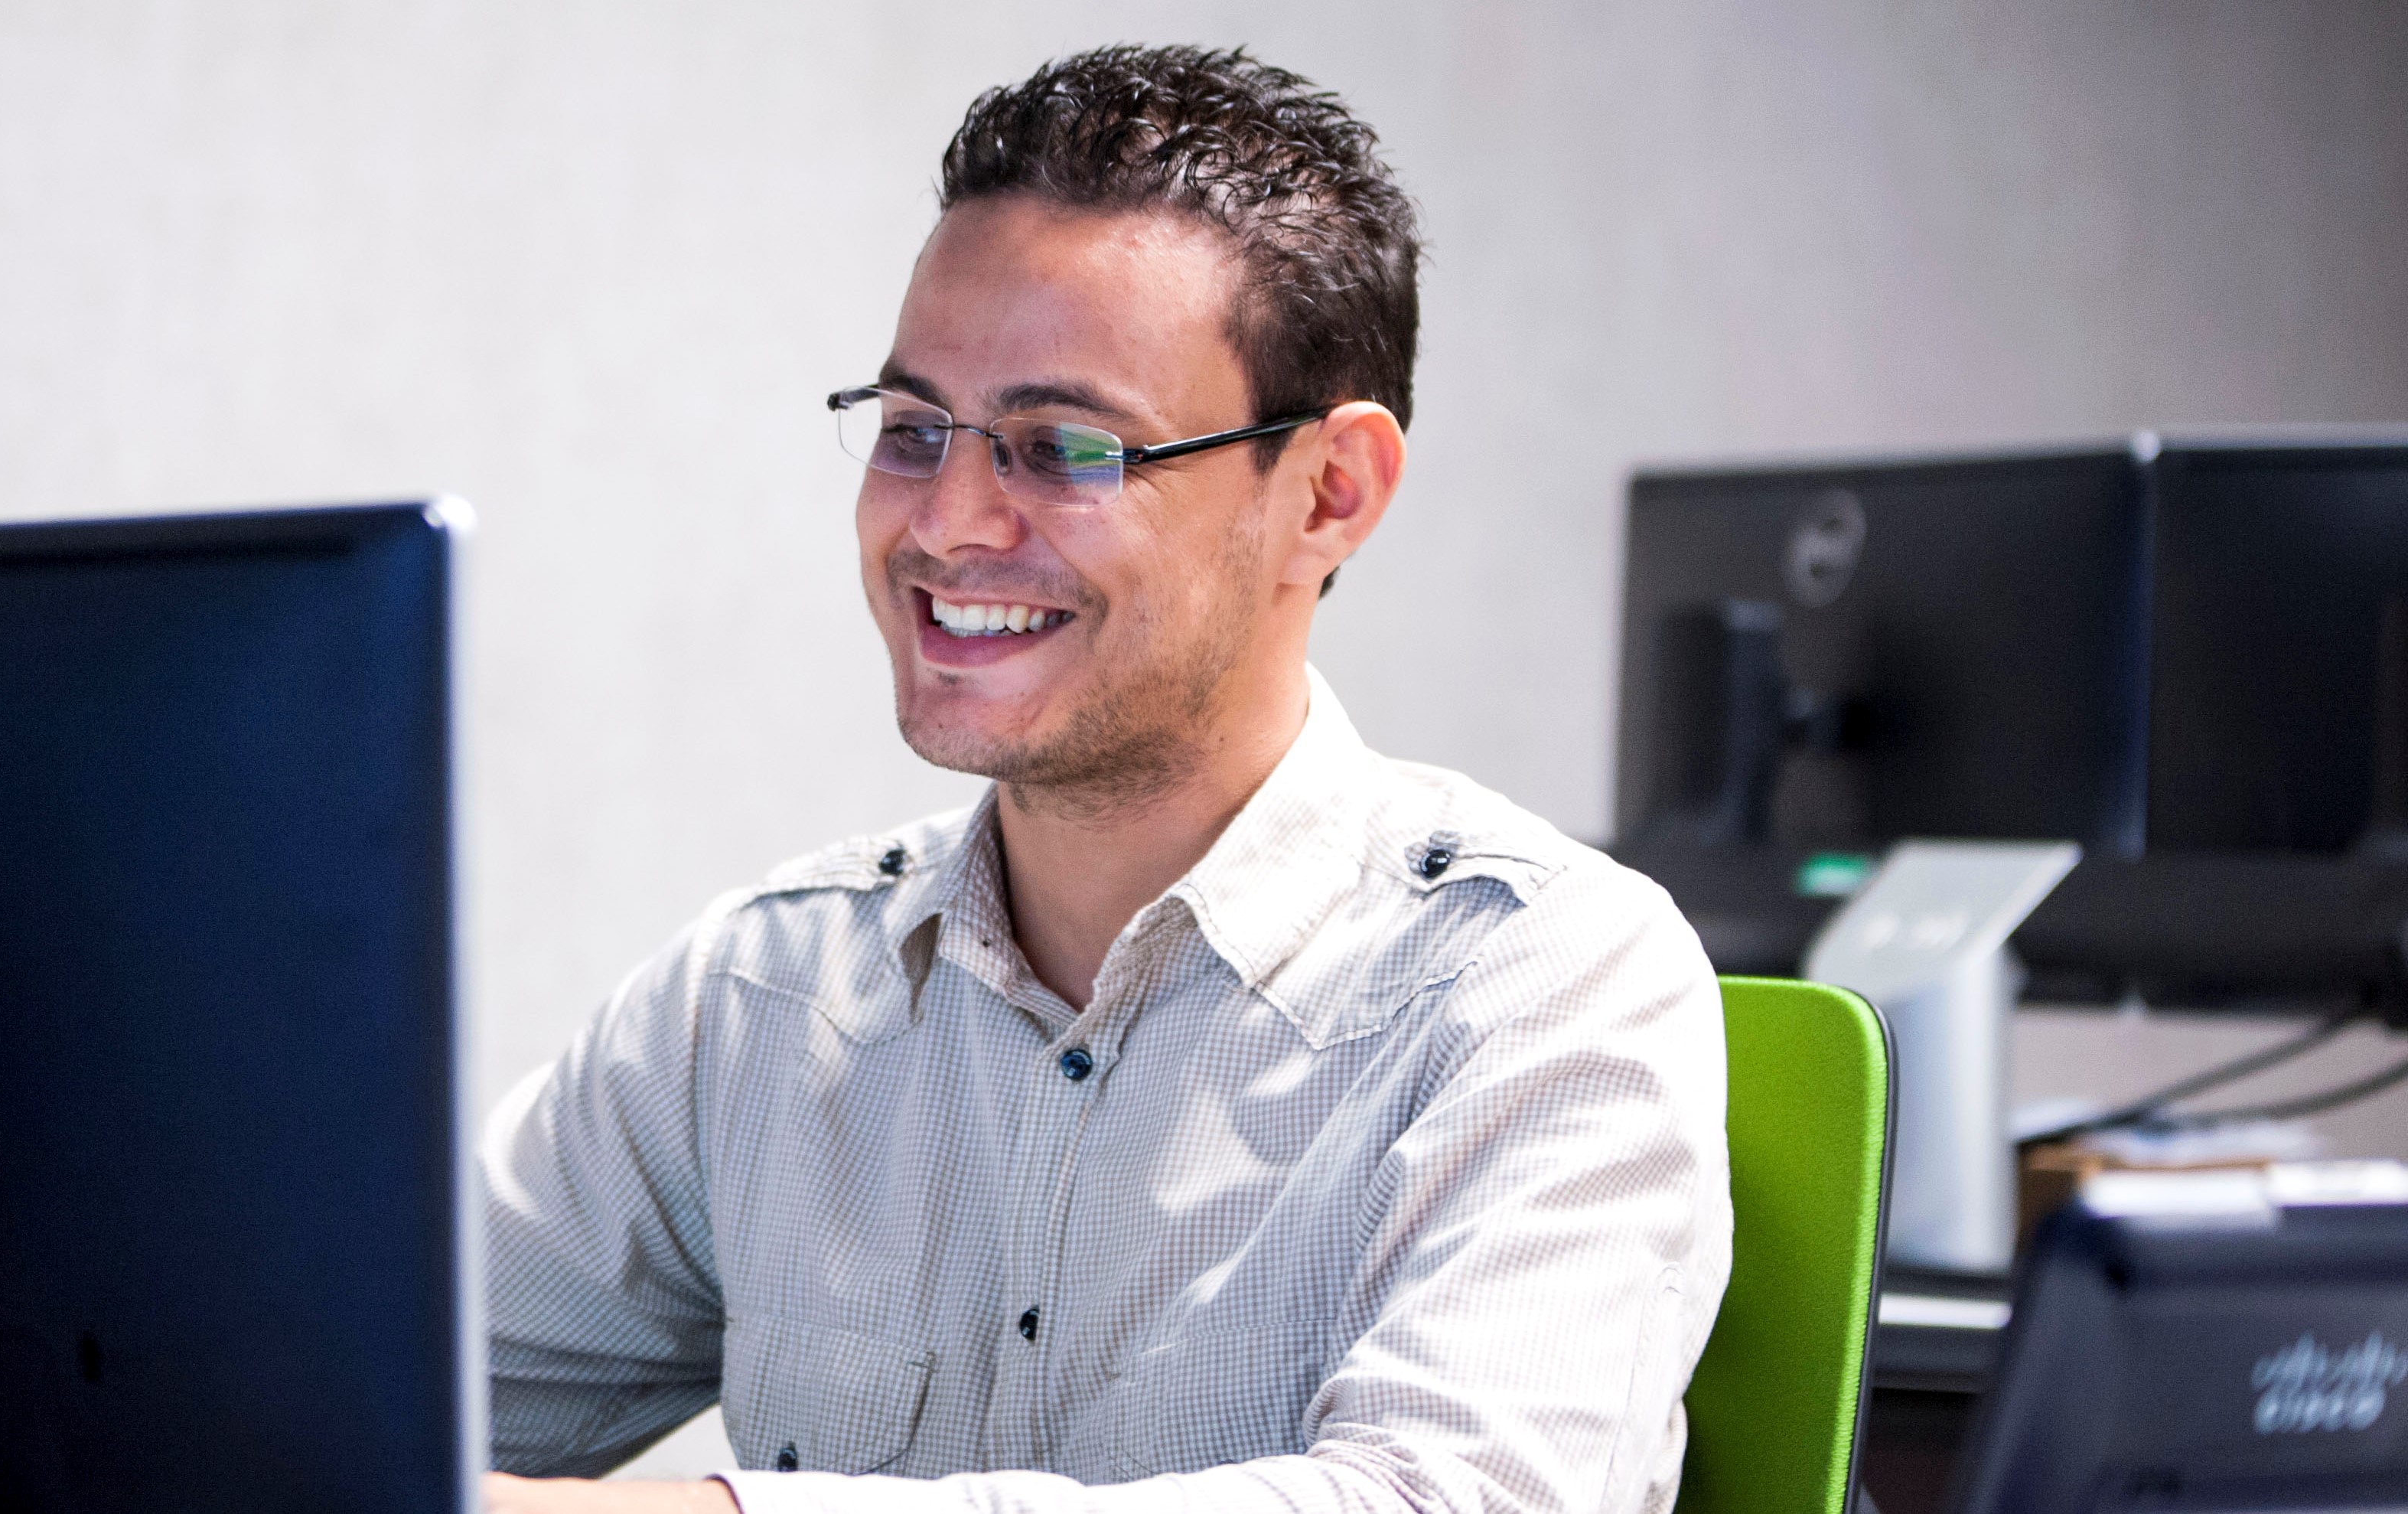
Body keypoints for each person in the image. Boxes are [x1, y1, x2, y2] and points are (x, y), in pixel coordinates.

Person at [481, 44, 1729, 1514]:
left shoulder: (1542, 981)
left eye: (1065, 448)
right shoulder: (762, 998)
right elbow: (335, 1391)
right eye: (913, 432)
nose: (948, 523)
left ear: (1328, 494)